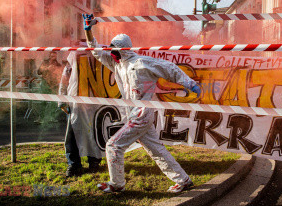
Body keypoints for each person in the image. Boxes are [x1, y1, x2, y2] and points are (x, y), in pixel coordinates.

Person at [83, 14, 201, 193]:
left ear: (123, 49)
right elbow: (96, 51)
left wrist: (189, 83)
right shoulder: (118, 64)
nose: (111, 52)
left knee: (113, 145)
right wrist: (89, 31)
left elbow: (169, 68)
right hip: (135, 114)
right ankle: (183, 180)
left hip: (141, 114)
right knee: (156, 150)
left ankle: (117, 184)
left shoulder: (142, 62)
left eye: (114, 48)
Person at [58, 41, 103, 177]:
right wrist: (62, 100)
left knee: (94, 134)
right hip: (76, 103)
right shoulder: (73, 59)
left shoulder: (98, 58)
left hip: (95, 104)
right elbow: (64, 80)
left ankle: (93, 162)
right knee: (72, 136)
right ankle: (73, 164)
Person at [36, 51, 64, 124]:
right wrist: (47, 69)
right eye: (52, 56)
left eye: (54, 57)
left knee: (54, 102)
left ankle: (52, 117)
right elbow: (38, 72)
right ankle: (41, 118)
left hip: (54, 85)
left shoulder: (58, 65)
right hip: (45, 84)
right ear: (49, 56)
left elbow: (61, 74)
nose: (53, 58)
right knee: (43, 102)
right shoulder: (45, 63)